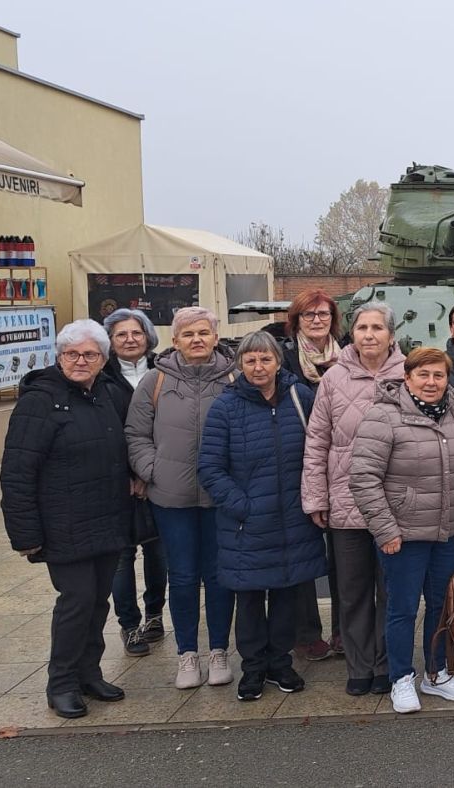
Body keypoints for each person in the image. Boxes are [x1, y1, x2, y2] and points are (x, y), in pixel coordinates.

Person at [1, 320, 135, 719]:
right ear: (58, 357)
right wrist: (25, 534)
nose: (80, 361)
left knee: (98, 601)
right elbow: (17, 472)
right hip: (63, 524)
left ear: (103, 359)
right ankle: (60, 683)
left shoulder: (107, 394)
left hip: (107, 518)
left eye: (89, 354)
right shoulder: (40, 401)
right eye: (71, 354)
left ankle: (89, 673)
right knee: (76, 601)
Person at [348, 347, 454, 712]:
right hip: (403, 536)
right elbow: (363, 477)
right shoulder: (383, 416)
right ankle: (401, 677)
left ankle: (436, 674)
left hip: (446, 534)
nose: (431, 382)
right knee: (402, 609)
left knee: (441, 607)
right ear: (407, 378)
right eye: (423, 374)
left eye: (439, 375)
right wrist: (385, 530)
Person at [197, 332, 323, 701]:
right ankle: (252, 667)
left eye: (265, 359)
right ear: (240, 365)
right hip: (247, 522)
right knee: (249, 597)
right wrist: (243, 506)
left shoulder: (300, 398)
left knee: (286, 594)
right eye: (250, 360)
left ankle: (280, 662)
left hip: (293, 519)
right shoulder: (226, 407)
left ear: (278, 362)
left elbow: (319, 449)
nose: (258, 367)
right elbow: (210, 468)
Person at [125, 306, 239, 690]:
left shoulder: (234, 378)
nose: (197, 340)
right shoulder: (154, 381)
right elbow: (136, 434)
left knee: (219, 576)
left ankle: (219, 650)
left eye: (203, 332)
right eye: (188, 334)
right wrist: (152, 470)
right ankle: (187, 654)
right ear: (175, 341)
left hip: (220, 498)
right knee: (183, 576)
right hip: (171, 498)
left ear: (215, 337)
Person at [301, 301, 405, 696]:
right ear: (353, 334)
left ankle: (386, 663)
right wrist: (316, 497)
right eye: (362, 327)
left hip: (395, 503)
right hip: (346, 501)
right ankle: (359, 666)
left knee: (391, 591)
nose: (369, 335)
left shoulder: (409, 373)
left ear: (391, 335)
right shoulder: (334, 378)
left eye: (378, 327)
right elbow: (317, 441)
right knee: (353, 591)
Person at [276, 289, 344, 662]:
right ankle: (306, 633)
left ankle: (344, 630)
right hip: (297, 462)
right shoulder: (283, 359)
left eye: (323, 314)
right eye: (308, 315)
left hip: (343, 465)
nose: (317, 320)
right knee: (303, 552)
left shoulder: (348, 355)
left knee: (345, 556)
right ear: (296, 320)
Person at [102, 309, 167, 658]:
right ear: (110, 341)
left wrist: (147, 471)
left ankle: (155, 614)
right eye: (121, 334)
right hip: (117, 481)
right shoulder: (101, 376)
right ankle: (129, 624)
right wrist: (130, 474)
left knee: (158, 551)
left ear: (147, 337)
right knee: (122, 555)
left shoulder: (165, 371)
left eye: (136, 333)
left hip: (158, 474)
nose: (130, 340)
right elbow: (105, 431)